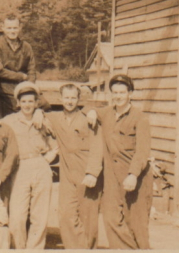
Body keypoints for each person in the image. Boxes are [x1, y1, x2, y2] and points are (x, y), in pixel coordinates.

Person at [87, 74, 153, 249]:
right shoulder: (107, 113)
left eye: (122, 92)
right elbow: (88, 109)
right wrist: (92, 111)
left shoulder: (140, 118)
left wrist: (133, 175)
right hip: (112, 178)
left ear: (130, 93)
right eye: (114, 92)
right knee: (110, 218)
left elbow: (142, 151)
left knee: (137, 226)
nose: (118, 96)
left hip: (135, 176)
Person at [39, 83, 103, 249]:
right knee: (66, 214)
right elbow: (38, 111)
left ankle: (88, 249)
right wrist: (39, 113)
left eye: (73, 98)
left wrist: (93, 173)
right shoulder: (54, 118)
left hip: (86, 171)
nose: (69, 101)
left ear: (79, 99)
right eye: (66, 97)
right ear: (60, 99)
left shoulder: (88, 119)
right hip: (67, 172)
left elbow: (97, 147)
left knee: (88, 217)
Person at [3, 81, 58, 249]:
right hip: (20, 168)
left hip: (40, 166)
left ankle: (35, 249)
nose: (27, 105)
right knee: (17, 216)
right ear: (18, 103)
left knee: (39, 214)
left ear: (36, 103)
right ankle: (19, 248)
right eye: (24, 101)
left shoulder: (44, 120)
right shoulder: (9, 121)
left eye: (31, 101)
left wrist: (47, 158)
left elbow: (56, 144)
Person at [0, 14, 36, 117]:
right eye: (9, 28)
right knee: (15, 109)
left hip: (24, 86)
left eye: (15, 28)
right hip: (4, 88)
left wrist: (30, 86)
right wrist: (20, 76)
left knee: (43, 105)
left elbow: (31, 69)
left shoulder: (26, 46)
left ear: (20, 28)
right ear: (3, 28)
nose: (12, 31)